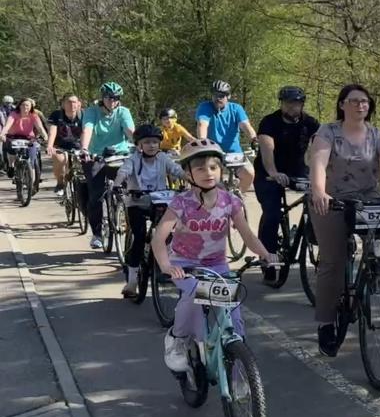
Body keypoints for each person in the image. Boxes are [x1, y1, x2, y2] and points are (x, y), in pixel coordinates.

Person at [308, 84, 380, 356]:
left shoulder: (377, 135)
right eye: (354, 101)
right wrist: (319, 191)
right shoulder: (328, 132)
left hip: (368, 200)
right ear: (342, 105)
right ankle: (326, 323)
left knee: (378, 247)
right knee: (333, 262)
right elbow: (319, 162)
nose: (361, 105)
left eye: (365, 101)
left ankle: (373, 280)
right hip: (333, 200)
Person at [152, 139, 277, 372]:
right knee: (193, 293)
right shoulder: (181, 203)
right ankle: (177, 339)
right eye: (200, 168)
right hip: (185, 264)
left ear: (221, 170)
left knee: (234, 317)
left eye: (213, 167)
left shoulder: (230, 201)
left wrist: (265, 254)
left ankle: (241, 373)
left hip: (217, 265)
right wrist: (167, 266)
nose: (208, 173)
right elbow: (158, 239)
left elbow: (248, 235)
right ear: (188, 173)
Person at [254, 86, 319, 273]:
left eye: (296, 103)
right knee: (273, 214)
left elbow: (323, 146)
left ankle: (315, 238)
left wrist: (322, 174)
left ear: (302, 104)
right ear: (281, 104)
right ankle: (268, 258)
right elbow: (267, 148)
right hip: (268, 172)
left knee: (321, 203)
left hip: (297, 170)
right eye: (287, 103)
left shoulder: (310, 123)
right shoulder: (269, 122)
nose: (291, 107)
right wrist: (273, 172)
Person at [114, 124, 184, 297]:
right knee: (139, 237)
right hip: (137, 202)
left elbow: (176, 170)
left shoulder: (163, 158)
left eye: (154, 142)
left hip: (160, 201)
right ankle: (132, 282)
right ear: (139, 145)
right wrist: (117, 184)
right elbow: (123, 172)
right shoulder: (134, 159)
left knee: (168, 234)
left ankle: (166, 265)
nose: (151, 145)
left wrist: (193, 179)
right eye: (147, 142)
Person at [79, 82, 136, 250]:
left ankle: (127, 221)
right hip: (96, 155)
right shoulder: (91, 112)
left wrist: (141, 145)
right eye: (108, 97)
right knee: (96, 194)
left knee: (131, 189)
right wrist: (84, 149)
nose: (112, 101)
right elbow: (87, 129)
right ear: (102, 98)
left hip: (119, 154)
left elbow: (130, 131)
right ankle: (97, 233)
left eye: (116, 98)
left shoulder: (123, 112)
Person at [195, 80, 256, 192]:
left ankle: (238, 197)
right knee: (214, 182)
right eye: (215, 95)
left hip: (234, 153)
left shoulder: (236, 108)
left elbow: (245, 125)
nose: (218, 98)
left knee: (249, 173)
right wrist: (203, 142)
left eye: (222, 96)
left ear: (228, 96)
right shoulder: (205, 107)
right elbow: (202, 124)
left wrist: (254, 139)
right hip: (213, 152)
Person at [0, 97, 49, 185]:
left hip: (28, 138)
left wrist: (46, 137)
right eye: (23, 105)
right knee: (12, 151)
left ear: (31, 107)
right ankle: (11, 166)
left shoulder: (34, 115)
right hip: (14, 136)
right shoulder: (14, 114)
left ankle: (31, 182)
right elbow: (7, 126)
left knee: (32, 158)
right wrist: (2, 134)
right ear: (19, 106)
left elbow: (40, 128)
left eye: (27, 105)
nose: (25, 107)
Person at [47, 94, 85, 196]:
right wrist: (50, 145)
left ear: (79, 104)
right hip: (60, 145)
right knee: (60, 160)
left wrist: (86, 147)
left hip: (79, 145)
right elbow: (52, 131)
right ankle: (60, 183)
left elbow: (87, 131)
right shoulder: (56, 115)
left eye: (74, 102)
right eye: (69, 102)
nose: (72, 104)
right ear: (63, 104)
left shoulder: (84, 115)